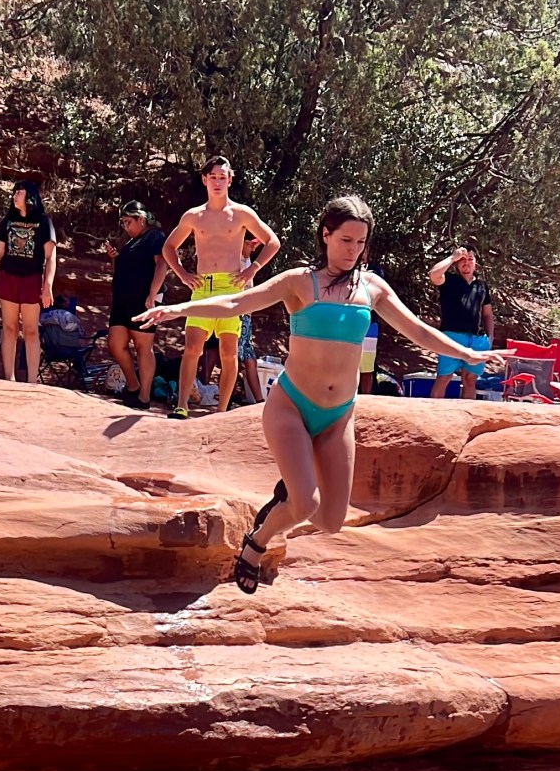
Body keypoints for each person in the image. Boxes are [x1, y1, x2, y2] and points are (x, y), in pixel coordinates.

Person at [138, 194, 509, 593]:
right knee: (306, 504)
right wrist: (177, 309)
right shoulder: (301, 282)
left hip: (337, 416)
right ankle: (256, 542)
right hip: (292, 406)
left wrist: (469, 353)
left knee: (330, 521)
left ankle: (287, 499)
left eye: (360, 242)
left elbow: (417, 330)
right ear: (326, 235)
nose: (353, 250)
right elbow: (236, 301)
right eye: (345, 240)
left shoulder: (372, 288)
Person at [160, 155, 280, 418]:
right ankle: (182, 405)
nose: (217, 182)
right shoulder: (194, 216)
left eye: (222, 177)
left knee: (228, 351)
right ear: (204, 180)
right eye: (212, 177)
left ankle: (222, 411)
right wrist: (181, 273)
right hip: (202, 286)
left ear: (230, 180)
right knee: (192, 346)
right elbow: (168, 246)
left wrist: (252, 269)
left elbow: (272, 241)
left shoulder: (241, 213)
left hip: (231, 288)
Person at [0, 179, 57, 383]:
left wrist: (48, 287)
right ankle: (8, 379)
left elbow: (51, 257)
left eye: (19, 191)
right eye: (14, 192)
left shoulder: (44, 222)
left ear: (30, 195)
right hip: (7, 277)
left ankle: (31, 382)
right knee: (9, 328)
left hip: (32, 279)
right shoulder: (7, 221)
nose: (14, 195)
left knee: (30, 330)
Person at [105, 201, 167, 409]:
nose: (125, 227)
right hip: (122, 300)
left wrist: (152, 292)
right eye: (122, 223)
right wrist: (115, 258)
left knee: (143, 347)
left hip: (143, 299)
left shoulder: (155, 237)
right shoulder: (130, 243)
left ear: (141, 219)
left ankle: (144, 396)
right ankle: (133, 384)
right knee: (115, 342)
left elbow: (162, 264)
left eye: (128, 222)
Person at [428, 243, 493, 399]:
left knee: (470, 379)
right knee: (444, 377)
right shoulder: (449, 280)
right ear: (457, 263)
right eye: (462, 259)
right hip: (452, 337)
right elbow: (433, 275)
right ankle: (434, 415)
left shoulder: (482, 286)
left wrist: (490, 337)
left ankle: (467, 417)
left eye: (470, 259)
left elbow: (488, 314)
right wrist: (452, 257)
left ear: (475, 262)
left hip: (477, 339)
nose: (466, 263)